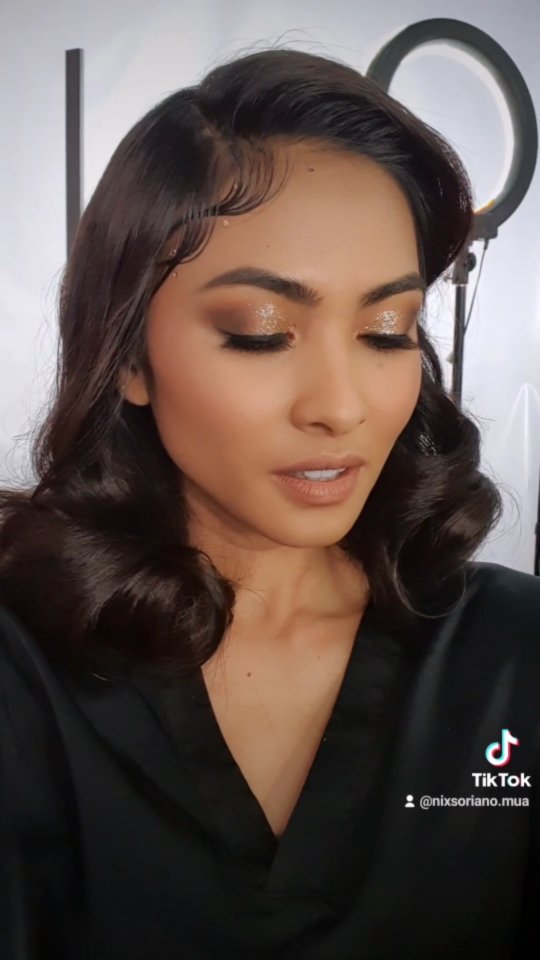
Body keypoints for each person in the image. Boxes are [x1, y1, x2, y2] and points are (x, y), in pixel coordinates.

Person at [0, 45, 539, 960]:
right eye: (262, 333)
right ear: (130, 357)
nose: (339, 406)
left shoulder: (510, 653)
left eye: (386, 331)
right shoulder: (24, 667)